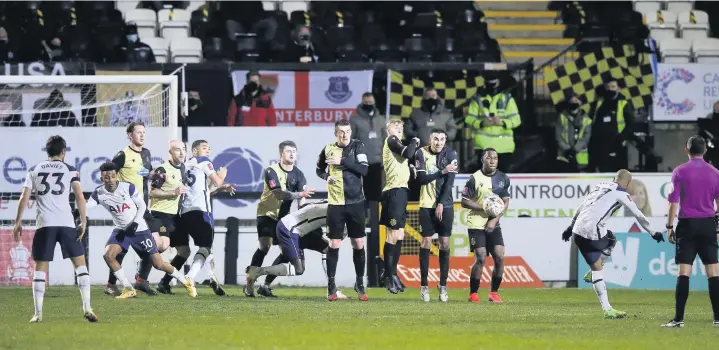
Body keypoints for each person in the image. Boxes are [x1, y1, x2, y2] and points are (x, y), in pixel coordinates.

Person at [12, 135, 97, 323]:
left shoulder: (34, 170)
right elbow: (79, 197)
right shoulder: (70, 170)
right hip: (66, 224)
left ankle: (38, 313)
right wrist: (83, 221)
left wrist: (18, 222)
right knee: (80, 266)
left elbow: (24, 198)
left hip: (45, 225)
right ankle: (87, 308)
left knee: (40, 269)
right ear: (63, 152)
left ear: (47, 151)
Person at [561, 169, 664, 319]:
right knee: (607, 247)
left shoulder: (600, 186)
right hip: (592, 231)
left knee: (607, 245)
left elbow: (582, 205)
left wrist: (570, 227)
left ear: (614, 178)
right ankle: (607, 308)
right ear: (628, 183)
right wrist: (653, 232)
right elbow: (638, 214)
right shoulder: (621, 194)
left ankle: (595, 276)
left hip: (577, 232)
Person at [88, 162, 196, 299]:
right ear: (101, 178)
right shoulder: (99, 192)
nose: (110, 180)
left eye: (112, 176)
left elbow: (142, 205)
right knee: (108, 255)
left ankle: (186, 281)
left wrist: (135, 223)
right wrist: (77, 210)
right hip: (122, 230)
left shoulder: (127, 187)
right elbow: (87, 205)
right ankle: (128, 288)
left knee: (159, 263)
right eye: (106, 177)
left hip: (141, 228)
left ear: (117, 176)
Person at [662, 136, 719, 328]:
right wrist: (717, 226)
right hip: (708, 224)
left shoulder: (679, 172)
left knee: (684, 271)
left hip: (687, 225)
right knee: (713, 271)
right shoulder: (715, 173)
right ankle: (718, 319)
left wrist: (669, 227)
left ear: (686, 151)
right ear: (705, 151)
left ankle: (678, 319)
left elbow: (673, 203)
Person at [245, 140, 313, 297]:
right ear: (281, 153)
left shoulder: (299, 174)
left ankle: (265, 285)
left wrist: (303, 216)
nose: (292, 154)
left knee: (286, 252)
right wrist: (300, 195)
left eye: (294, 151)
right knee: (264, 247)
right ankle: (249, 283)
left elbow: (302, 201)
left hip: (283, 219)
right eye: (288, 151)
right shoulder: (271, 170)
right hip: (266, 214)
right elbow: (278, 193)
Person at [316, 119, 369, 301]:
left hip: (356, 202)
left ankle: (359, 283)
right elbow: (318, 169)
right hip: (336, 203)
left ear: (351, 132)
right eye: (341, 132)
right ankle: (331, 285)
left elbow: (364, 170)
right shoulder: (328, 148)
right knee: (334, 244)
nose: (344, 134)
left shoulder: (358, 146)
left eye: (347, 131)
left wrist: (343, 161)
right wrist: (327, 176)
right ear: (335, 133)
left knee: (358, 243)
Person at [173, 140, 232, 297]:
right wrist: (222, 175)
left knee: (205, 248)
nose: (208, 151)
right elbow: (218, 181)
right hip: (200, 211)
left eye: (209, 148)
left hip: (185, 212)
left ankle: (211, 279)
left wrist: (221, 187)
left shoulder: (186, 165)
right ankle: (190, 277)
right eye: (204, 148)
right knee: (206, 246)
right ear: (194, 151)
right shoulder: (204, 161)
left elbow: (206, 190)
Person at [105, 122, 156, 297]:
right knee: (121, 249)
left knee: (155, 246)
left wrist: (156, 176)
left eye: (144, 132)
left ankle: (140, 280)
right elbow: (108, 174)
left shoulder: (147, 153)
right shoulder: (122, 155)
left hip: (143, 208)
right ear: (129, 135)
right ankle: (114, 284)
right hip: (127, 211)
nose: (142, 135)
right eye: (138, 132)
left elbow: (146, 173)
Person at [246, 201, 341, 294]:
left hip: (301, 231)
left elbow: (306, 206)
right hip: (289, 228)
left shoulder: (334, 205)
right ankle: (258, 272)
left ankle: (264, 284)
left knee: (301, 263)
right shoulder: (338, 210)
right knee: (297, 267)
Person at [460, 148, 510, 304]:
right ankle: (473, 293)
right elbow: (464, 201)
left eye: (495, 158)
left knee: (499, 256)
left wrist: (494, 219)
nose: (492, 160)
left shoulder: (503, 178)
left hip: (494, 222)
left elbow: (505, 202)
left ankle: (494, 293)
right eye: (489, 158)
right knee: (481, 257)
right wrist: (484, 207)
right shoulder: (474, 178)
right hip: (476, 222)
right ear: (483, 159)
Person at [414, 129, 458, 302]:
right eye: (435, 139)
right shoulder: (420, 153)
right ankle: (424, 285)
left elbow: (450, 182)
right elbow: (422, 180)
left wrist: (441, 203)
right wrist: (442, 171)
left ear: (445, 140)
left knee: (444, 242)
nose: (438, 142)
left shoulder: (451, 153)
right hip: (426, 205)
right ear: (429, 139)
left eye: (441, 139)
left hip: (445, 205)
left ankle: (443, 285)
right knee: (425, 241)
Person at [380, 119, 419, 294]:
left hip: (401, 191)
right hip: (393, 192)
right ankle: (388, 275)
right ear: (387, 129)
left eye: (401, 127)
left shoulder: (397, 145)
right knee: (393, 234)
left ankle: (392, 273)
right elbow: (410, 152)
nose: (399, 128)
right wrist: (414, 141)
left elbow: (406, 158)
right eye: (395, 126)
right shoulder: (391, 140)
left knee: (400, 234)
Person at [465, 73, 521, 173]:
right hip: (484, 146)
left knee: (502, 181)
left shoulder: (507, 99)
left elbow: (517, 120)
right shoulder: (478, 99)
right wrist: (482, 123)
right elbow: (469, 119)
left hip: (504, 148)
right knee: (486, 181)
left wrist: (503, 122)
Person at [587, 79, 636, 173]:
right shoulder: (598, 103)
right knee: (603, 172)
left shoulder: (624, 104)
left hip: (617, 145)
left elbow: (631, 124)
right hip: (600, 146)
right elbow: (591, 122)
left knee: (619, 175)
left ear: (618, 89)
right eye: (608, 87)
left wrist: (622, 137)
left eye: (613, 87)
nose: (610, 89)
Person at [349, 92, 386, 207]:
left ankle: (374, 218)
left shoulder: (381, 119)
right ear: (362, 102)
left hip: (377, 160)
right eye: (366, 102)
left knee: (376, 191)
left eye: (370, 102)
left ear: (374, 103)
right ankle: (363, 217)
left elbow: (385, 139)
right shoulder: (355, 119)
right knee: (362, 191)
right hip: (362, 160)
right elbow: (351, 139)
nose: (368, 104)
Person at [556, 93, 592, 173]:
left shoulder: (586, 118)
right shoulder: (562, 117)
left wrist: (576, 149)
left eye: (576, 100)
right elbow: (558, 135)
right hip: (564, 155)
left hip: (580, 156)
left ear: (581, 103)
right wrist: (567, 149)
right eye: (571, 101)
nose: (574, 102)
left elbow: (587, 136)